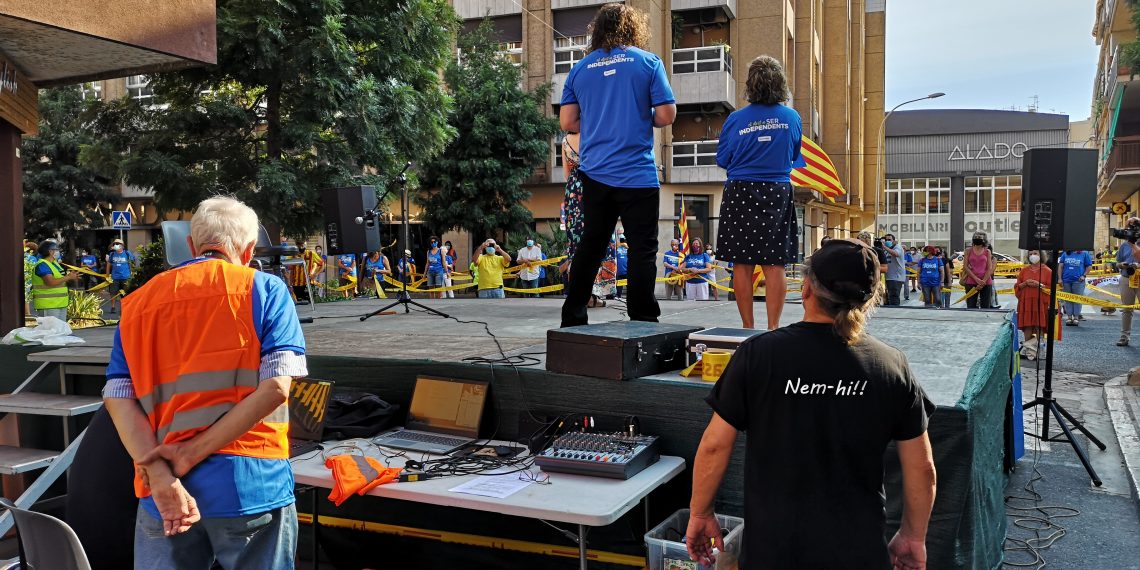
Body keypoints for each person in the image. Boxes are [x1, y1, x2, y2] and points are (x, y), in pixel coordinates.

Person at [685, 238, 936, 569]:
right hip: (859, 554)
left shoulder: (759, 355)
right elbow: (922, 468)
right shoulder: (891, 365)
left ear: (805, 289)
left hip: (773, 553)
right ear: (869, 299)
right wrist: (913, 537)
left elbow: (716, 445)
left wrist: (701, 512)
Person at [102, 196, 306, 569]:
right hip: (250, 485)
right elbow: (276, 388)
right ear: (247, 251)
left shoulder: (136, 305)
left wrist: (162, 476)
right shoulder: (265, 290)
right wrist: (190, 453)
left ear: (192, 246)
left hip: (162, 491)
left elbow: (118, 399)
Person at [559, 3, 676, 328]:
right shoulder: (648, 62)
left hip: (595, 174)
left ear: (597, 30)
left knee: (591, 245)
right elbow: (666, 115)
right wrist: (640, 115)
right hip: (638, 175)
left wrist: (598, 120)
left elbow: (568, 121)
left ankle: (573, 316)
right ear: (632, 28)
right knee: (642, 249)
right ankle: (642, 317)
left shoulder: (580, 69)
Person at [715, 55, 800, 330]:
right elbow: (794, 153)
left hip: (741, 189)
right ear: (781, 84)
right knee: (774, 264)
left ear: (751, 85)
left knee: (742, 263)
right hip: (777, 189)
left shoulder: (736, 119)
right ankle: (773, 328)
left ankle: (747, 327)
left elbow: (723, 159)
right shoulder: (791, 117)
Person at [1015, 250, 1051, 360]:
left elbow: (1051, 289)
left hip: (1040, 302)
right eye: (1030, 254)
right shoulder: (1024, 271)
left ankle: (1040, 348)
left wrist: (1039, 285)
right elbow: (1017, 287)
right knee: (1027, 325)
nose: (1032, 256)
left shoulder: (1048, 271)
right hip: (1026, 302)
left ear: (1041, 255)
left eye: (1035, 253)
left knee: (1039, 325)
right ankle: (1029, 349)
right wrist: (1024, 284)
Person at [32, 240, 80, 321]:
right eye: (57, 250)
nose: (58, 252)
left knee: (60, 331)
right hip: (48, 305)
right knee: (50, 332)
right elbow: (50, 282)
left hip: (60, 303)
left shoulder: (54, 263)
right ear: (50, 252)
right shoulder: (42, 265)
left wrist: (71, 277)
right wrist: (68, 277)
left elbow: (61, 280)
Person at [1115, 217, 1140, 346]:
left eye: (1133, 226)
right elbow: (1117, 263)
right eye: (1129, 226)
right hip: (1126, 278)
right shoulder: (1124, 245)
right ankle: (1124, 336)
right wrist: (1122, 265)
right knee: (1126, 309)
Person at [1058, 249, 1093, 326]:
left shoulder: (1084, 253)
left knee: (1077, 299)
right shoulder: (1066, 253)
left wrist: (1084, 275)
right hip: (1066, 280)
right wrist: (1060, 278)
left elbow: (1089, 266)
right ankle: (1069, 317)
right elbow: (1060, 266)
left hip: (1078, 281)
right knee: (1068, 299)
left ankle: (1076, 317)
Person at [961, 231, 994, 309]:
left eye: (980, 237)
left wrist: (983, 282)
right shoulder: (968, 251)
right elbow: (965, 266)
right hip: (971, 281)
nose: (978, 238)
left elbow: (989, 268)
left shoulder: (987, 251)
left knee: (985, 306)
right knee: (971, 305)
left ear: (984, 239)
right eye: (976, 237)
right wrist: (977, 279)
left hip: (985, 281)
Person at [106, 238, 136, 313]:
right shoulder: (112, 254)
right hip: (114, 277)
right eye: (115, 244)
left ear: (122, 246)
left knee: (125, 293)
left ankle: (125, 307)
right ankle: (113, 307)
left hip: (126, 277)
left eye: (117, 244)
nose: (116, 245)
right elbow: (108, 265)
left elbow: (131, 264)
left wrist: (132, 275)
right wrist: (107, 276)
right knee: (113, 292)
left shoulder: (127, 253)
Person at [882, 234, 906, 306]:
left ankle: (895, 311)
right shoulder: (886, 250)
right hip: (889, 277)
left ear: (894, 241)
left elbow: (896, 254)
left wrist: (884, 247)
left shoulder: (897, 247)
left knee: (894, 297)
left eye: (889, 240)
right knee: (890, 297)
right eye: (886, 240)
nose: (887, 241)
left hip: (896, 277)